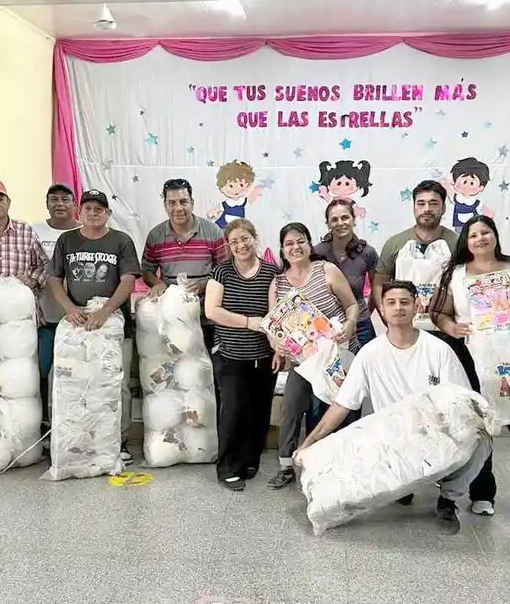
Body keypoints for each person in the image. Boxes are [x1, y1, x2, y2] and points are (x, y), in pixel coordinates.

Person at [295, 280, 491, 535]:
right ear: (383, 311)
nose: (398, 308)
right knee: (340, 466)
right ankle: (402, 488)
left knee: (480, 442)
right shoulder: (370, 353)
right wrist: (308, 443)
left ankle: (448, 500)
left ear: (416, 306)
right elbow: (342, 404)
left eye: (404, 302)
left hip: (434, 434)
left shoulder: (439, 350)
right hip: (391, 440)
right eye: (391, 303)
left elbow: (460, 402)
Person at [430, 215, 510, 521]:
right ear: (466, 242)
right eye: (473, 235)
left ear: (495, 236)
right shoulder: (455, 274)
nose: (480, 239)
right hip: (475, 360)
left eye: (485, 232)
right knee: (481, 428)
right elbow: (438, 313)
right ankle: (482, 493)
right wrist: (452, 326)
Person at [49, 190, 141, 464]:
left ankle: (119, 439)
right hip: (77, 323)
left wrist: (105, 311)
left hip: (113, 323)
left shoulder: (121, 241)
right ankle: (79, 439)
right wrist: (69, 308)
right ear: (80, 212)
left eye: (99, 208)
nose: (93, 212)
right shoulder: (66, 241)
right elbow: (55, 279)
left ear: (108, 214)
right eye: (88, 208)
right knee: (73, 380)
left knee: (116, 382)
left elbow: (127, 281)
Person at [267, 222, 358, 490]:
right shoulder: (278, 283)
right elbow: (274, 325)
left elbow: (351, 304)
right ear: (282, 250)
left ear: (309, 245)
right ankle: (286, 465)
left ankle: (334, 465)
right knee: (291, 409)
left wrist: (350, 326)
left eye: (300, 241)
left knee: (335, 410)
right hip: (302, 361)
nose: (295, 247)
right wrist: (277, 346)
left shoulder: (326, 270)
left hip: (335, 357)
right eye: (289, 244)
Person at [372, 180, 478, 388]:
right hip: (405, 332)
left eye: (433, 203)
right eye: (421, 203)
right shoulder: (395, 243)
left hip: (446, 332)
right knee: (408, 389)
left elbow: (468, 285)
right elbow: (379, 283)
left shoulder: (458, 243)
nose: (427, 209)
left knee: (450, 391)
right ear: (413, 207)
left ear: (444, 207)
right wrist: (388, 317)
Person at [204, 219, 279, 491]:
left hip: (263, 355)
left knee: (259, 413)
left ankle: (250, 461)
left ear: (255, 238)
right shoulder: (222, 271)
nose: (240, 245)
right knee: (233, 411)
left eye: (245, 238)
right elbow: (212, 311)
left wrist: (278, 348)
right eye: (234, 241)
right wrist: (249, 322)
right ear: (228, 246)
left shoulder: (272, 272)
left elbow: (276, 316)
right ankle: (227, 467)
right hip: (231, 355)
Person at [141, 178, 226, 369]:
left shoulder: (213, 232)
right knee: (176, 372)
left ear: (192, 203)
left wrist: (205, 284)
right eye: (172, 203)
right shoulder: (156, 235)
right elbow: (146, 270)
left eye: (183, 202)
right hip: (170, 318)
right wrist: (156, 283)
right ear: (164, 205)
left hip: (207, 318)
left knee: (207, 371)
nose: (178, 208)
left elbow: (225, 271)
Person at [32, 183, 80, 437]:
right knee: (41, 368)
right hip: (45, 318)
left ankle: (70, 425)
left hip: (78, 321)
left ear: (75, 205)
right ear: (47, 203)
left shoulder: (87, 232)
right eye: (54, 199)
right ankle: (44, 423)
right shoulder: (33, 232)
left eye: (65, 199)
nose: (60, 204)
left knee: (72, 374)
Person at [313, 199, 378, 353]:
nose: (340, 223)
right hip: (326, 328)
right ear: (328, 224)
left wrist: (365, 311)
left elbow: (378, 287)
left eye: (345, 217)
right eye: (334, 219)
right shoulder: (316, 253)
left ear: (353, 220)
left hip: (361, 326)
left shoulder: (368, 253)